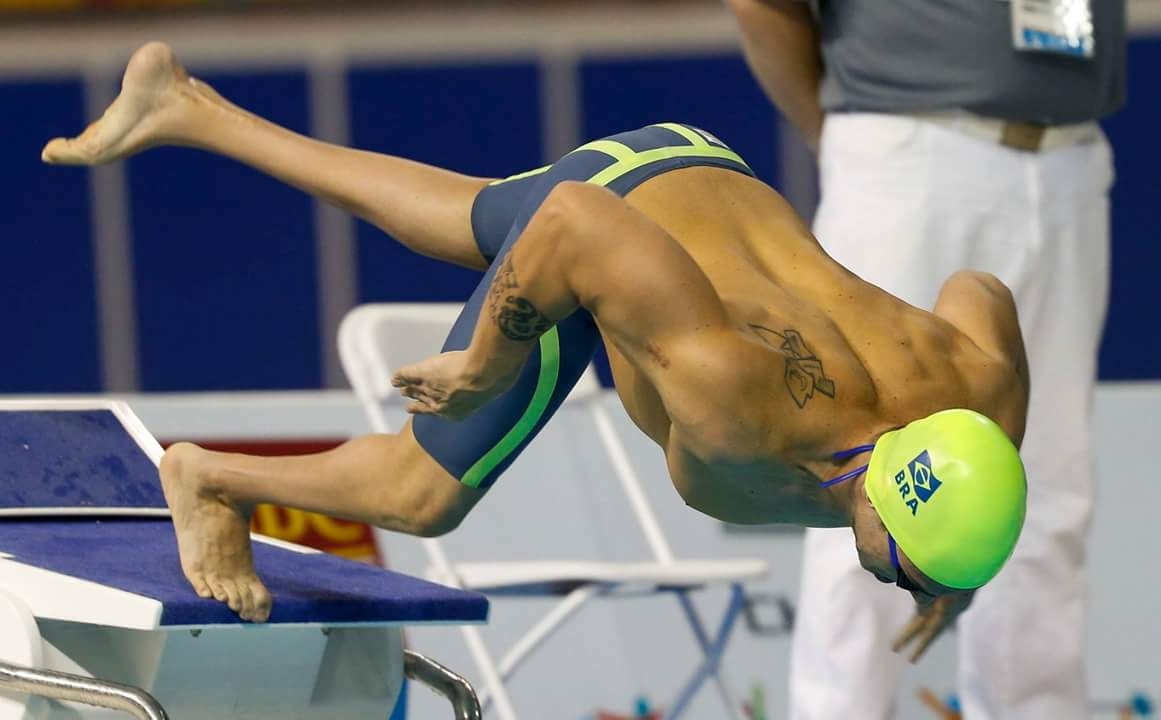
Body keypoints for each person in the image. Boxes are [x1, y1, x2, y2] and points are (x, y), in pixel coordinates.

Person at [43, 44, 1028, 652]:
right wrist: (486, 366)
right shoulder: (743, 395)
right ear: (885, 503)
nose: (901, 585)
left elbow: (982, 298)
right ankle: (209, 478)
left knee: (470, 214)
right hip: (606, 235)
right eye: (904, 570)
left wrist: (951, 573)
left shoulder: (971, 396)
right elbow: (572, 223)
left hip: (692, 175)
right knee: (421, 495)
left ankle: (185, 106)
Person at [725, 1, 1123, 718]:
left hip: (1068, 161)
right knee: (864, 476)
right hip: (908, 152)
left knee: (1048, 495)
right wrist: (854, 142)